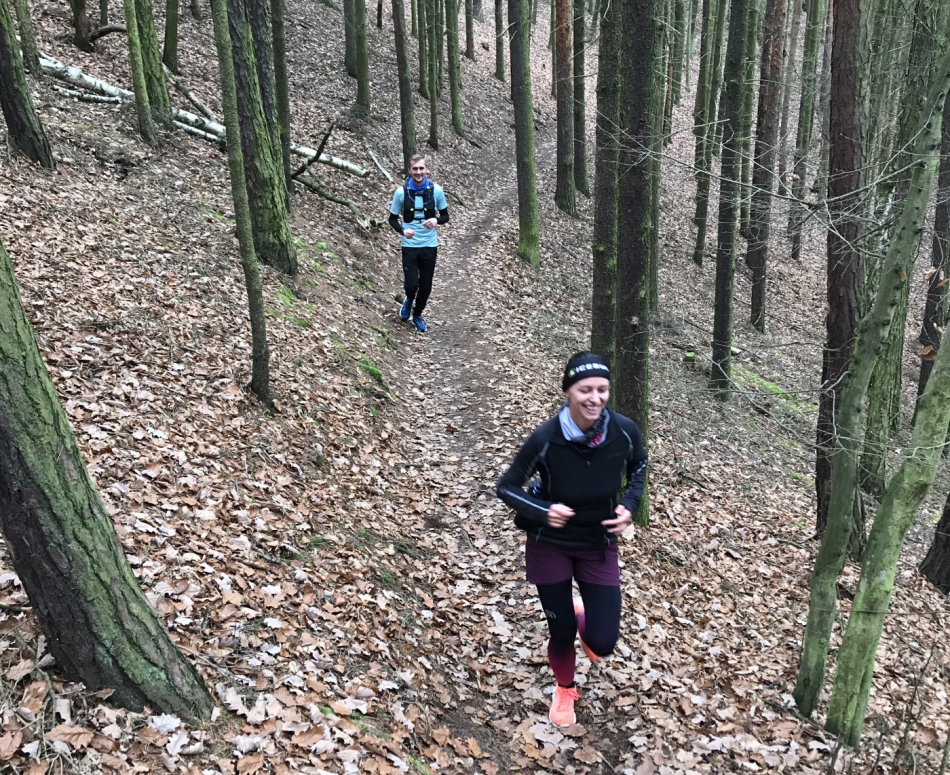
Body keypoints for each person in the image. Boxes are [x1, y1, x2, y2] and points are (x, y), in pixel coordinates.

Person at [496, 352, 648, 727]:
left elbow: (640, 464)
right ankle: (565, 688)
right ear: (568, 392)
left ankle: (583, 615)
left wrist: (629, 504)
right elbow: (507, 487)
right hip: (550, 543)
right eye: (585, 390)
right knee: (560, 630)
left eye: (602, 389)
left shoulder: (624, 431)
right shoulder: (546, 439)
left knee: (602, 642)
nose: (594, 398)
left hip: (598, 543)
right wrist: (541, 511)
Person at [388, 155, 449, 332]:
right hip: (410, 245)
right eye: (415, 169)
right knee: (412, 284)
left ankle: (418, 315)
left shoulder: (436, 190)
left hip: (430, 245)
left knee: (426, 286)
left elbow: (445, 216)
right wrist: (402, 231)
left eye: (421, 169)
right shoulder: (401, 192)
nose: (418, 172)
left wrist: (436, 221)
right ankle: (408, 300)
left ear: (427, 170)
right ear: (409, 171)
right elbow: (392, 219)